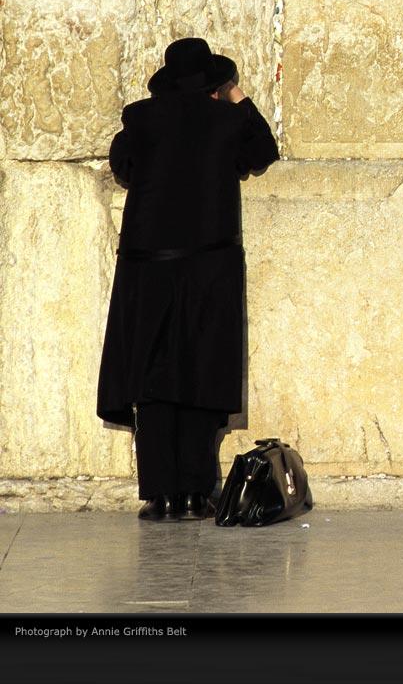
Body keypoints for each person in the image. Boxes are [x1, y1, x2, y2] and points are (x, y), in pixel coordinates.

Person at [97, 37, 279, 522]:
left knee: (153, 377)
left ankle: (161, 495)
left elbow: (123, 167)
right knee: (200, 368)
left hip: (147, 265)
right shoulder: (228, 120)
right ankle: (197, 493)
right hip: (208, 265)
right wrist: (238, 99)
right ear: (214, 83)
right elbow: (263, 152)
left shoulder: (140, 119)